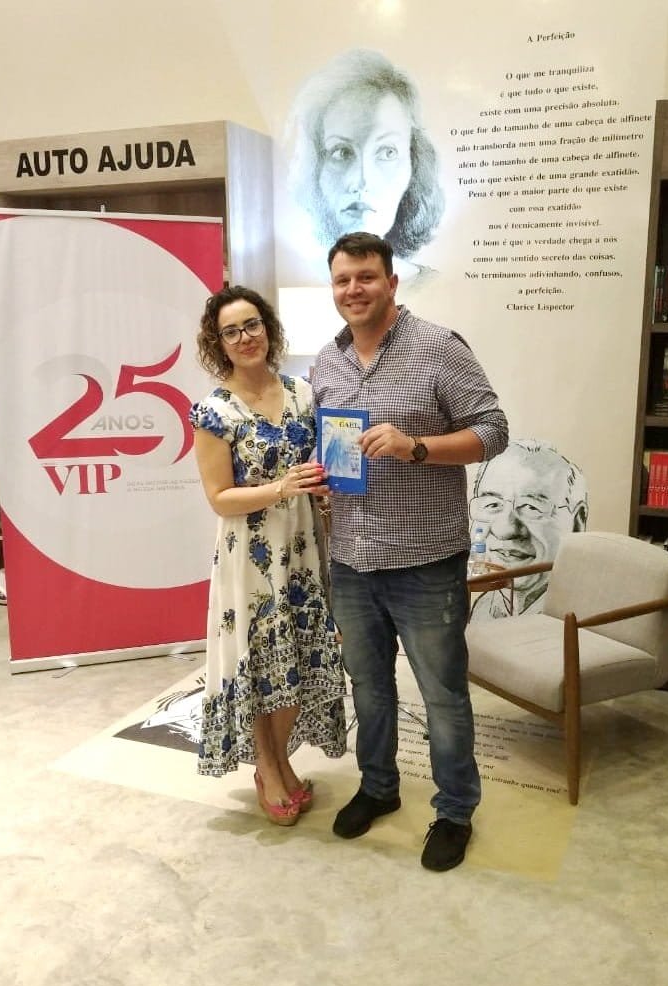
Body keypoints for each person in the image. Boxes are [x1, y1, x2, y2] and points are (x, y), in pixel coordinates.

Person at [312, 232, 508, 871]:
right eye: (343, 279)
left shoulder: (438, 347)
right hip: (351, 559)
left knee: (443, 696)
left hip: (425, 560)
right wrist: (319, 472)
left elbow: (493, 431)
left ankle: (455, 811)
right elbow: (327, 442)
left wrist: (415, 446)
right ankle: (378, 787)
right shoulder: (327, 361)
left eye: (366, 277)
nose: (354, 290)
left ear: (392, 282)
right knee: (369, 687)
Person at [189, 286, 347, 827]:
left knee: (301, 657)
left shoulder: (303, 394)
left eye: (252, 325)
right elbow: (219, 498)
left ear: (268, 328)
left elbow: (322, 465)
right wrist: (281, 488)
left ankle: (278, 760)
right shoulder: (214, 411)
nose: (244, 338)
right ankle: (269, 766)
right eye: (230, 331)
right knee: (259, 664)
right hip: (250, 559)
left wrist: (324, 487)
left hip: (303, 549)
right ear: (218, 343)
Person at [286, 48, 444, 287]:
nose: (361, 180)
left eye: (387, 152)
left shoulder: (433, 286)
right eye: (341, 152)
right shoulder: (297, 283)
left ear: (414, 165)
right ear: (315, 167)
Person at [468, 440, 588, 621]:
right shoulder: (482, 609)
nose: (505, 529)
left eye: (532, 507)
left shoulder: (577, 616)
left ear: (577, 523)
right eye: (492, 504)